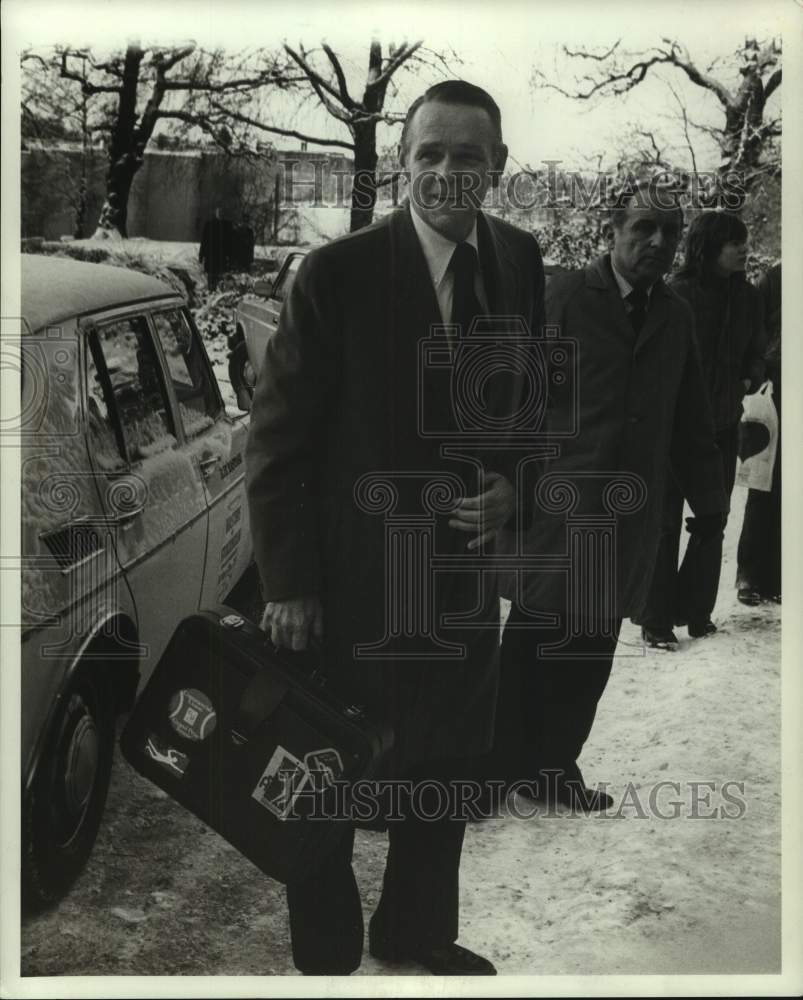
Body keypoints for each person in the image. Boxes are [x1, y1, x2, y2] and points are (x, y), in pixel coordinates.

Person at [245, 80, 545, 976]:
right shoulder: (335, 275)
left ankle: (414, 934)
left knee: (446, 763)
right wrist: (289, 584)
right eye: (430, 153)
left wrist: (513, 489)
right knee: (328, 758)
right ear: (402, 162)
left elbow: (531, 417)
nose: (448, 172)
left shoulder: (520, 263)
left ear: (497, 166)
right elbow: (277, 440)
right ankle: (327, 943)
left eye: (468, 155)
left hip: (457, 582)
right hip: (350, 577)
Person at [483, 180, 728, 812]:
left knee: (592, 649)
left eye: (670, 233)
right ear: (611, 232)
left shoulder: (675, 316)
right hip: (555, 507)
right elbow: (511, 396)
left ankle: (554, 768)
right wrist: (509, 481)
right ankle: (495, 769)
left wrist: (711, 499)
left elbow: (690, 416)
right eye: (643, 228)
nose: (657, 242)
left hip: (627, 518)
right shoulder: (563, 296)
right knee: (535, 641)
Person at [639, 212, 766, 647]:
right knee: (664, 523)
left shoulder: (749, 297)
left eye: (745, 241)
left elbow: (757, 351)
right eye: (735, 242)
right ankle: (655, 619)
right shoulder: (677, 293)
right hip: (675, 430)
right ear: (709, 246)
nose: (744, 249)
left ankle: (696, 611)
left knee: (714, 519)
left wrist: (748, 378)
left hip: (724, 423)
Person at [736, 262, 781, 604]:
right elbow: (755, 329)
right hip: (779, 387)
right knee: (766, 482)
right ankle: (750, 576)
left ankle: (777, 577)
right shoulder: (778, 276)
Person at [199, 207, 234, 291]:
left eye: (222, 212)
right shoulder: (209, 225)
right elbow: (204, 241)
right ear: (215, 213)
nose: (220, 214)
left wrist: (230, 257)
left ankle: (219, 296)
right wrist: (201, 255)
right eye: (218, 212)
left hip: (222, 257)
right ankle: (211, 292)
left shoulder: (227, 225)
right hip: (211, 257)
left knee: (221, 279)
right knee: (211, 278)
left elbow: (230, 243)